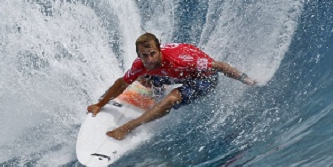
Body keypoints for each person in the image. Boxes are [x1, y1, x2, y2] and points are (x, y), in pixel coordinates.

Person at [87, 33, 258, 140]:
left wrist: (245, 78)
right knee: (142, 75)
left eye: (152, 54)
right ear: (139, 54)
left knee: (171, 98)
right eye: (144, 55)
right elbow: (121, 83)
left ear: (159, 50)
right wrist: (99, 104)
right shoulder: (141, 63)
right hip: (174, 74)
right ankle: (154, 91)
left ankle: (128, 127)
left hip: (204, 79)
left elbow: (219, 66)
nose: (149, 59)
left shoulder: (181, 60)